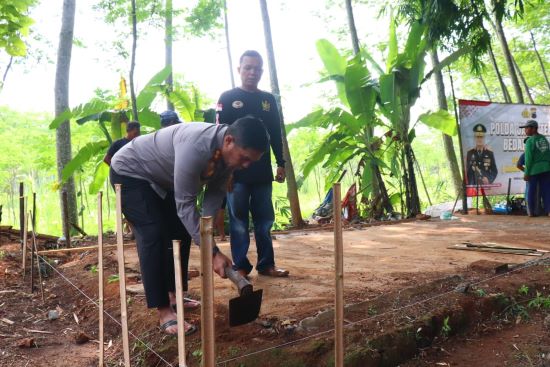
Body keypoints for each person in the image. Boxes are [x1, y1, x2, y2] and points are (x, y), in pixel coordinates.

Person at [110, 117, 269, 335]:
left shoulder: (227, 157)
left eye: (252, 161)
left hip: (163, 179)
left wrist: (208, 240)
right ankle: (164, 311)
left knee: (182, 230)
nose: (246, 165)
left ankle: (174, 295)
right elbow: (185, 204)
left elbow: (212, 199)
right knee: (154, 233)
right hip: (131, 173)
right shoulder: (196, 146)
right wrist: (212, 252)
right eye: (245, 158)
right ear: (229, 140)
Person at [216, 50, 289, 278]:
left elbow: (276, 133)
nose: (252, 72)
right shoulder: (227, 98)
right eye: (248, 67)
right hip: (235, 174)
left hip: (262, 173)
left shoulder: (267, 100)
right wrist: (224, 172)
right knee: (238, 221)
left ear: (261, 72)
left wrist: (281, 163)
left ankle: (267, 264)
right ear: (239, 69)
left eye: (257, 69)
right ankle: (241, 265)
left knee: (264, 221)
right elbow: (218, 135)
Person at [520, 120, 550, 217]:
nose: (525, 130)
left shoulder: (530, 141)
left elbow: (528, 159)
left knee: (531, 191)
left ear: (534, 128)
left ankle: (531, 212)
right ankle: (548, 211)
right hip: (546, 169)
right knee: (546, 190)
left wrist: (526, 173)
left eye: (527, 128)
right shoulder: (544, 139)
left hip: (534, 170)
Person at [516, 138, 530, 215]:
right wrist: (527, 172)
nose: (527, 145)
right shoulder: (525, 154)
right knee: (528, 194)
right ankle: (529, 212)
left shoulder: (540, 154)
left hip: (542, 177)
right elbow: (518, 165)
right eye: (526, 144)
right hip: (530, 177)